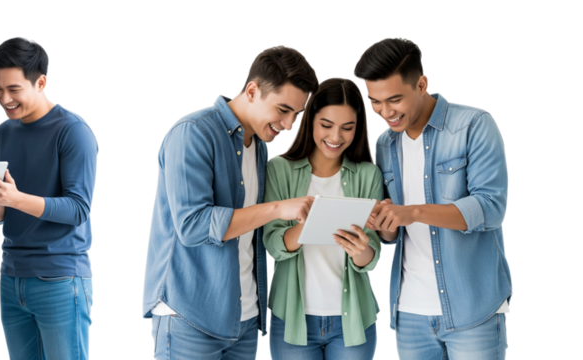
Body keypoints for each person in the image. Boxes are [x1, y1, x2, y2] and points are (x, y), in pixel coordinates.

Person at [140, 45, 321, 360]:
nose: (290, 124)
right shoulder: (193, 133)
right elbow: (193, 226)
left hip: (244, 319)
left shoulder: (260, 147)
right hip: (188, 317)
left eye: (297, 114)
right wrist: (278, 208)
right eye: (282, 109)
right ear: (252, 90)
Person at [353, 37, 511, 359]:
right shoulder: (384, 144)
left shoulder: (474, 125)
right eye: (375, 101)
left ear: (422, 84)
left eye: (394, 99)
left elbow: (492, 207)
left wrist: (413, 212)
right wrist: (383, 222)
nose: (385, 112)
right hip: (409, 312)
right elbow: (392, 235)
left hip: (472, 307)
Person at [0, 36, 99, 360]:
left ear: (41, 82)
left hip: (60, 277)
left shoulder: (73, 131)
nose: (3, 98)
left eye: (13, 89)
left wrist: (14, 199)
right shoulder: (1, 133)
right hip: (11, 277)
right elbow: (4, 209)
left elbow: (78, 209)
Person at [263, 77, 382, 359]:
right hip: (292, 317)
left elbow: (372, 257)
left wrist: (361, 250)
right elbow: (272, 245)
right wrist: (311, 223)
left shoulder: (367, 174)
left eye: (347, 128)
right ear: (310, 121)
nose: (336, 137)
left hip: (353, 320)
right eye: (326, 125)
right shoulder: (279, 168)